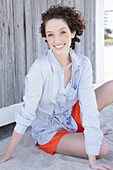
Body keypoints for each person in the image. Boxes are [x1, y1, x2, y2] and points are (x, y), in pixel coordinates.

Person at [0, 4, 113, 170]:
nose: (57, 40)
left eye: (63, 32)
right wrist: (6, 154)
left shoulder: (82, 63)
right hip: (49, 130)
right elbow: (27, 113)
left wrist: (92, 160)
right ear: (46, 37)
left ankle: (85, 134)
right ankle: (82, 136)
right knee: (102, 149)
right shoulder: (39, 69)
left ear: (73, 33)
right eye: (50, 34)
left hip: (71, 116)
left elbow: (88, 107)